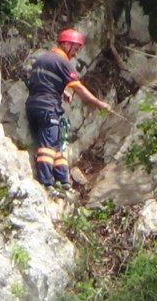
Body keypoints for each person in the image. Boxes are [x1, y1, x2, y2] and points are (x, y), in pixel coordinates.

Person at [25, 29, 112, 200]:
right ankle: (46, 183)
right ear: (66, 44)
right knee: (48, 146)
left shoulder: (42, 58)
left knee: (57, 143)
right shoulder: (62, 62)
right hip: (48, 108)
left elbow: (39, 81)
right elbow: (78, 88)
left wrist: (61, 91)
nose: (76, 53)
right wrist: (99, 103)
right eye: (75, 48)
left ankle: (63, 181)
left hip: (33, 106)